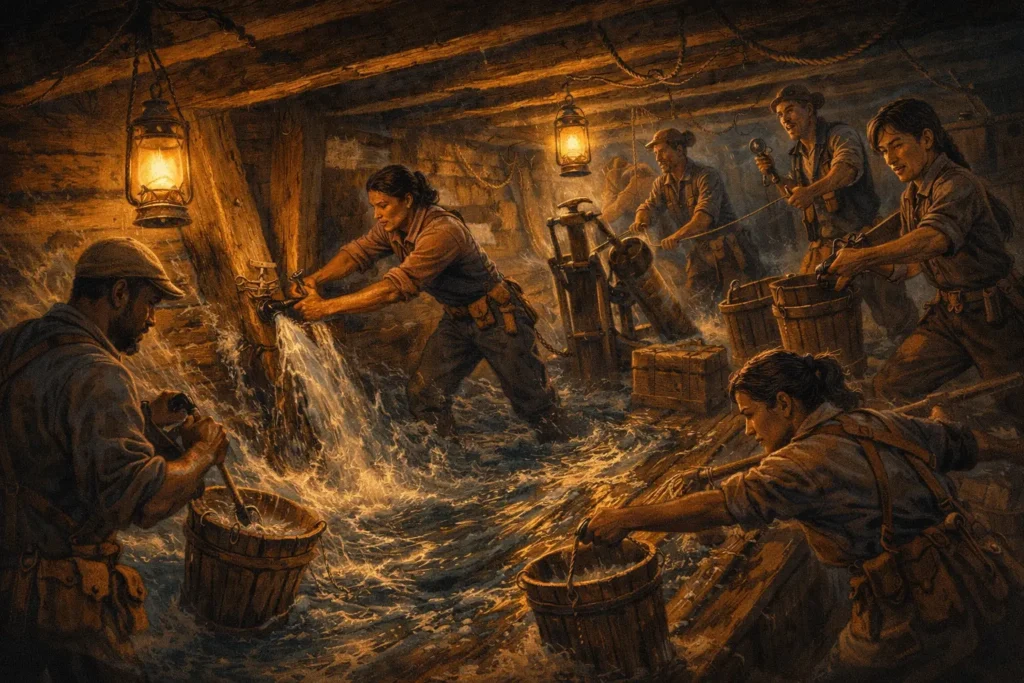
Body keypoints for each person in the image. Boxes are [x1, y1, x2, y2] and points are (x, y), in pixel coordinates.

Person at [583, 348, 1024, 681]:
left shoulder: (799, 465)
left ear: (784, 403)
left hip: (914, 619)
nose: (748, 430)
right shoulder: (876, 421)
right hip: (984, 579)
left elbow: (719, 507)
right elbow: (965, 444)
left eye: (750, 415)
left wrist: (626, 518)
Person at [0, 237, 229, 681]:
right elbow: (144, 503)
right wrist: (203, 452)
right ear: (120, 293)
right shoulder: (101, 373)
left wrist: (142, 417)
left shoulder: (15, 342)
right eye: (150, 303)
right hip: (62, 599)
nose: (152, 319)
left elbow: (45, 435)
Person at [291, 164, 564, 441]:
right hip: (458, 320)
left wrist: (325, 307)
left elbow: (394, 290)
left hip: (499, 317)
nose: (377, 214)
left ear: (408, 200)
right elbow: (357, 253)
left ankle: (562, 451)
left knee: (534, 402)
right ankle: (451, 457)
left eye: (383, 206)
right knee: (424, 396)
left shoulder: (443, 231)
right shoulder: (393, 227)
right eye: (374, 207)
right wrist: (315, 279)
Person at [826, 98, 1024, 419]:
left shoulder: (957, 184)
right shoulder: (912, 197)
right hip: (949, 316)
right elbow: (910, 267)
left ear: (927, 139)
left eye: (897, 145)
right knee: (889, 388)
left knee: (1016, 408)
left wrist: (862, 257)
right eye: (883, 151)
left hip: (995, 318)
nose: (890, 159)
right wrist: (866, 263)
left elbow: (933, 240)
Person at [758, 84, 918, 341]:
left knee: (891, 310)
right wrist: (774, 175)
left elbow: (846, 170)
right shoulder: (798, 154)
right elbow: (797, 196)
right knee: (815, 310)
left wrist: (810, 192)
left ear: (809, 109)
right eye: (779, 115)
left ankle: (910, 347)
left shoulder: (840, 135)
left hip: (863, 239)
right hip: (826, 245)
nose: (784, 119)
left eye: (790, 110)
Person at [630, 128, 763, 315]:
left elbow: (703, 220)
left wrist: (675, 237)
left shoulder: (706, 176)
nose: (658, 158)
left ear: (679, 150)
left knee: (740, 306)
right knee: (695, 307)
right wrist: (641, 219)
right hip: (701, 253)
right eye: (656, 153)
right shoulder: (662, 184)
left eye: (663, 152)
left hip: (731, 251)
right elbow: (649, 207)